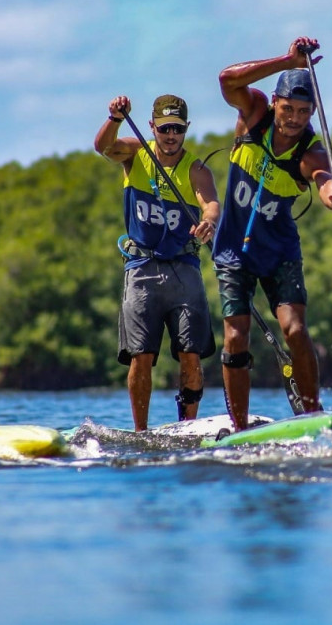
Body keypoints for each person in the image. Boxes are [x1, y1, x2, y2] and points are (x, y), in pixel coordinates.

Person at [214, 37, 332, 431]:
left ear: (313, 112)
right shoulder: (254, 112)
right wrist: (287, 61)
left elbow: (323, 179)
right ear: (275, 103)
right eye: (288, 108)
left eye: (303, 112)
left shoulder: (310, 150)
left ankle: (312, 415)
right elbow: (227, 80)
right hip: (233, 250)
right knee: (236, 336)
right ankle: (238, 429)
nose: (293, 118)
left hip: (279, 252)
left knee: (294, 329)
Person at [94, 94, 220, 431]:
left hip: (184, 271)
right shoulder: (136, 153)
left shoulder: (195, 168)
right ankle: (141, 432)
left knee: (191, 354)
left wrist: (208, 221)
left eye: (177, 129)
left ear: (186, 129)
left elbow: (210, 203)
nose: (170, 135)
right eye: (164, 128)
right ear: (152, 127)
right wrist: (115, 118)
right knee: (142, 356)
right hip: (142, 270)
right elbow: (102, 146)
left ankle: (187, 428)